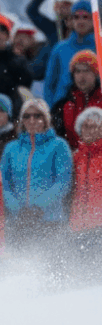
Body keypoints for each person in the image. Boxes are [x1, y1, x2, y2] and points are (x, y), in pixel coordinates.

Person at [0, 99, 73, 248]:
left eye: (37, 115)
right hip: (19, 221)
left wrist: (38, 207)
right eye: (27, 116)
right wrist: (18, 209)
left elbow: (63, 182)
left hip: (50, 220)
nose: (32, 120)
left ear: (46, 119)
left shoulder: (59, 146)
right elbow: (3, 184)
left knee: (50, 266)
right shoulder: (11, 148)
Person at [69, 107, 102, 279]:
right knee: (82, 275)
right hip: (78, 225)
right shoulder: (75, 158)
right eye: (86, 126)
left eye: (96, 126)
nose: (91, 130)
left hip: (99, 225)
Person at [45, 0, 96, 107]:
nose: (80, 21)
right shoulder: (60, 48)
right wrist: (51, 110)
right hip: (63, 107)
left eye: (85, 17)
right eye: (76, 17)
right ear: (71, 21)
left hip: (95, 108)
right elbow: (50, 85)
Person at [51, 50, 102, 152]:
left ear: (96, 74)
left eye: (87, 71)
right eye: (77, 71)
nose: (81, 76)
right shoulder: (62, 106)